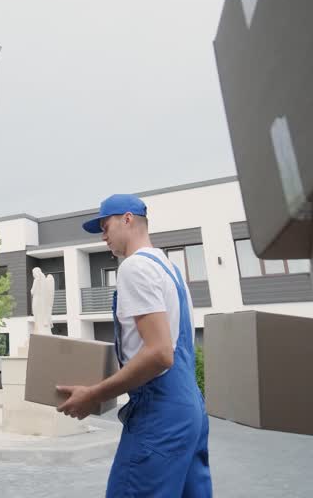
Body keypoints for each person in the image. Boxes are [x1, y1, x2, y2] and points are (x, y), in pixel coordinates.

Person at [54, 194, 211, 498]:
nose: (103, 236)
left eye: (105, 227)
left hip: (160, 414)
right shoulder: (170, 270)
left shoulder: (134, 267)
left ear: (127, 219)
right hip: (190, 411)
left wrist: (94, 395)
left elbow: (160, 354)